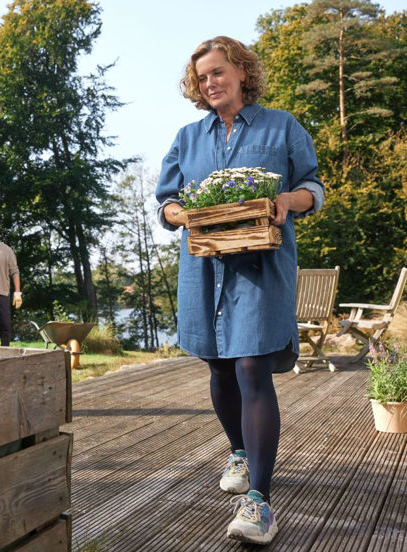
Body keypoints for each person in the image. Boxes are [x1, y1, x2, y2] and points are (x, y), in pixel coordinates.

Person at [155, 36, 324, 545]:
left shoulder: (281, 126)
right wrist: (182, 213)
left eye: (218, 72)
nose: (210, 82)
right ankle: (239, 450)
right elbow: (165, 204)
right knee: (220, 366)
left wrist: (287, 201)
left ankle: (260, 501)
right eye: (202, 76)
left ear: (242, 73)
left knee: (251, 364)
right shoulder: (188, 138)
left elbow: (314, 187)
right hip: (204, 269)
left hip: (261, 264)